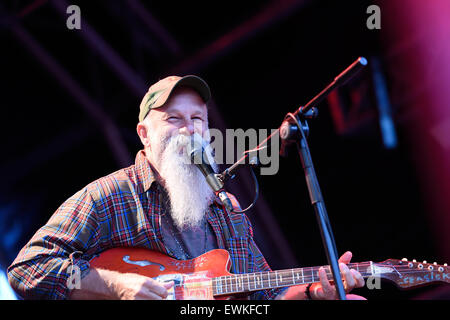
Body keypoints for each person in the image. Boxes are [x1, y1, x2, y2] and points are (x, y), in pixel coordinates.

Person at [7, 75, 365, 300]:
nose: (188, 129)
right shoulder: (108, 196)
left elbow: (266, 293)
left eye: (197, 119)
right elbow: (28, 268)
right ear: (144, 135)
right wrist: (115, 284)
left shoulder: (225, 207)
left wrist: (317, 291)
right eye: (173, 119)